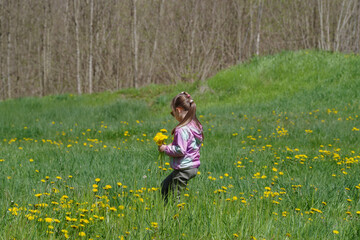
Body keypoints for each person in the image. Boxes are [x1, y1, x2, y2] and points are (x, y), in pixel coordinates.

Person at [158, 91, 203, 204]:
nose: (174, 116)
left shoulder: (181, 129)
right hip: (191, 166)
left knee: (174, 196)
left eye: (173, 113)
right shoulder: (195, 125)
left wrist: (165, 149)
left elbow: (180, 150)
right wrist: (169, 146)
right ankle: (165, 209)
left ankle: (176, 216)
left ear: (178, 110)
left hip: (184, 168)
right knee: (165, 186)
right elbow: (187, 146)